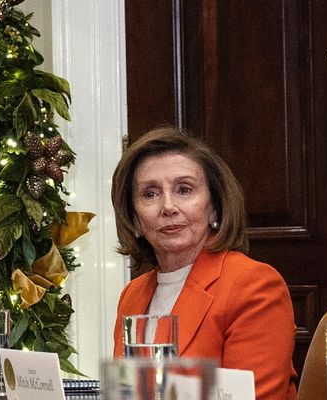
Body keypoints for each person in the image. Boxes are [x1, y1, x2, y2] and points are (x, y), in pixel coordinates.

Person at [110, 127, 297, 399]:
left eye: (184, 190)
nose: (168, 206)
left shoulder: (254, 285)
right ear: (135, 219)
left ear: (214, 207)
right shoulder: (132, 295)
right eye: (150, 194)